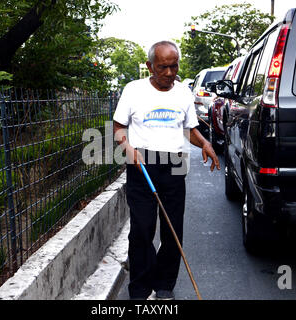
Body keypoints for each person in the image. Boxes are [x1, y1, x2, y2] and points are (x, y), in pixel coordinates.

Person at [113, 40, 220, 300]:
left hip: (174, 163)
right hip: (141, 164)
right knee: (142, 229)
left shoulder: (183, 92)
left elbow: (190, 130)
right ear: (150, 66)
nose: (170, 73)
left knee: (172, 229)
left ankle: (164, 286)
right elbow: (118, 128)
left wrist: (204, 143)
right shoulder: (134, 90)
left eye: (174, 67)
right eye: (163, 67)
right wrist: (127, 149)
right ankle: (139, 288)